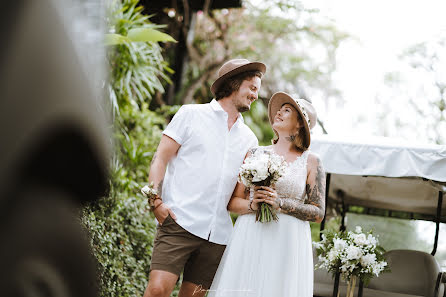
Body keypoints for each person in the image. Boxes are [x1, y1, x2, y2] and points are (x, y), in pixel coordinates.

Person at [142, 59, 266, 297]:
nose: (255, 95)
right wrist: (155, 202)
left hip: (217, 236)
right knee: (157, 290)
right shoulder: (191, 114)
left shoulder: (249, 139)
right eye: (251, 87)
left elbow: (237, 194)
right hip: (179, 221)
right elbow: (160, 158)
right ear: (232, 84)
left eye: (257, 90)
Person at [208, 92, 326, 297]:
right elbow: (233, 202)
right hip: (251, 234)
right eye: (280, 109)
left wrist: (280, 203)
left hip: (288, 240)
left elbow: (318, 213)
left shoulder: (312, 162)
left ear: (299, 125)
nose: (279, 112)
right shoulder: (254, 153)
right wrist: (253, 206)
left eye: (287, 110)